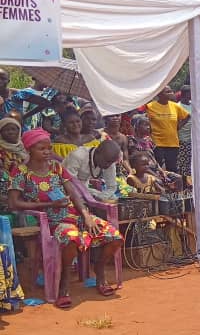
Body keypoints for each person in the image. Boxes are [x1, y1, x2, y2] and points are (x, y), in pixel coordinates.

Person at [8, 129, 123, 308]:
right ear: (29, 149)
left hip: (73, 214)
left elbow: (74, 193)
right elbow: (14, 204)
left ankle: (100, 271)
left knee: (114, 236)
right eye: (42, 149)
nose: (47, 152)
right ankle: (64, 284)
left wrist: (86, 216)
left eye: (49, 148)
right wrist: (48, 206)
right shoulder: (20, 172)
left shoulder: (56, 167)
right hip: (50, 220)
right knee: (71, 238)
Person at [144, 86, 189, 174]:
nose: (171, 93)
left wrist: (178, 127)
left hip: (173, 143)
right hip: (157, 143)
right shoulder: (150, 107)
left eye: (171, 91)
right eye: (167, 92)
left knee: (172, 169)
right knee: (158, 168)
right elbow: (144, 120)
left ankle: (172, 187)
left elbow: (187, 116)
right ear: (159, 94)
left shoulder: (175, 106)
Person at [0, 117, 28, 212]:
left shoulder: (24, 148)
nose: (11, 132)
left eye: (13, 129)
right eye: (6, 130)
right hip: (5, 183)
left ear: (19, 130)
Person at [176, 85, 193, 178]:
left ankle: (189, 185)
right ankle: (183, 185)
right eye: (190, 93)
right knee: (182, 163)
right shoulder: (178, 106)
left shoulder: (193, 105)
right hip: (182, 139)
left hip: (192, 139)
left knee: (190, 163)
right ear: (184, 94)